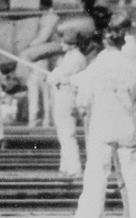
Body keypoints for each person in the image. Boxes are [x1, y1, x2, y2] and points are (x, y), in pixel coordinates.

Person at [73, 25, 136, 218]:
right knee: (133, 180)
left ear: (104, 42)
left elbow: (82, 103)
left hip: (101, 129)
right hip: (128, 130)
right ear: (123, 43)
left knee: (96, 178)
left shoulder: (94, 69)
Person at [50, 37, 93, 177]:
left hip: (67, 96)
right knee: (64, 133)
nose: (61, 44)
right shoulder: (70, 56)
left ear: (73, 45)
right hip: (63, 94)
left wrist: (54, 76)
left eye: (64, 42)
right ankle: (65, 166)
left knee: (67, 133)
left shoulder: (76, 58)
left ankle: (74, 168)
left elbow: (57, 75)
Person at [21, 0, 62, 127]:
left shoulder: (50, 18)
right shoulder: (49, 17)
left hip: (43, 56)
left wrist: (30, 46)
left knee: (39, 89)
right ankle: (44, 119)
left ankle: (40, 119)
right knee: (42, 90)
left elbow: (43, 37)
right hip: (44, 56)